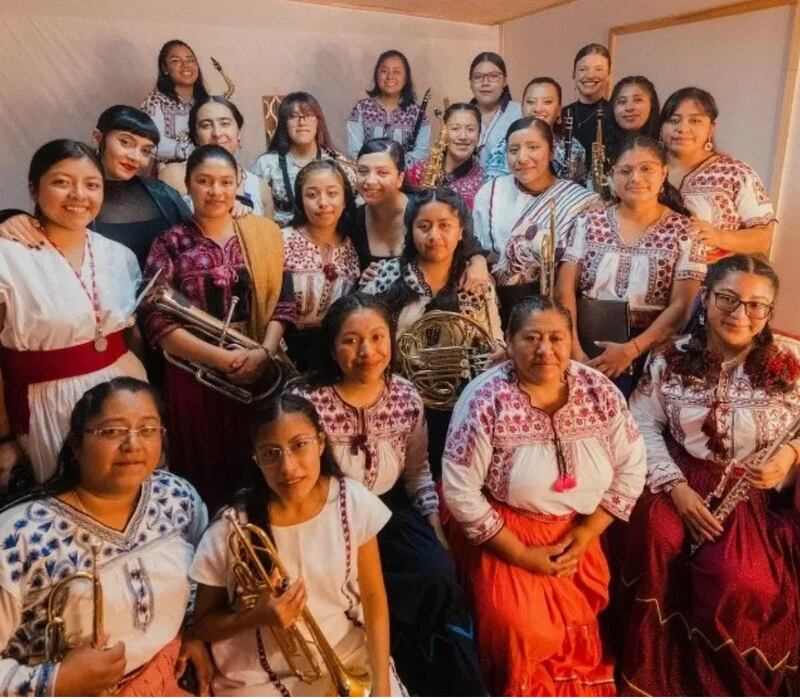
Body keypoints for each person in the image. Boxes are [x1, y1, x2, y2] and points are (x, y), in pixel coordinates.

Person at [442, 295, 647, 696]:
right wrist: (521, 554)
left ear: (571, 338)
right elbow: (459, 490)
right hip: (505, 533)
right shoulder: (485, 399)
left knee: (578, 626)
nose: (545, 350)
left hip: (575, 532)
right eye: (531, 338)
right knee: (519, 628)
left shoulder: (599, 392)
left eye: (557, 338)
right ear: (509, 340)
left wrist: (588, 532)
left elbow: (632, 467)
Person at [619, 255, 800, 696]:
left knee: (737, 581)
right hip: (678, 479)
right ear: (706, 299)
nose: (740, 315)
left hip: (754, 495)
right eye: (727, 299)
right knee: (656, 540)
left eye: (756, 305)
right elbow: (640, 422)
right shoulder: (669, 359)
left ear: (769, 312)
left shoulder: (792, 362)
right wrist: (676, 488)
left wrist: (790, 456)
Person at [290, 292, 486, 696]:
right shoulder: (305, 402)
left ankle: (425, 679)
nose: (367, 351)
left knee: (436, 575)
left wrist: (435, 528)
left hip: (388, 513)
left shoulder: (405, 395)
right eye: (351, 340)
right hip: (325, 518)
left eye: (378, 337)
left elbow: (417, 475)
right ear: (331, 346)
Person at [0, 378, 211, 696]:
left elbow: (199, 580)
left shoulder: (176, 496)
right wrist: (56, 680)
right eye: (112, 431)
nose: (133, 444)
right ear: (75, 444)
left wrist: (194, 632)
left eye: (148, 429)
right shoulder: (19, 537)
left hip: (169, 676)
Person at [188, 393, 406, 696]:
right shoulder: (232, 526)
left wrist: (382, 687)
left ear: (320, 442)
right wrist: (256, 617)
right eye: (270, 453)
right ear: (256, 459)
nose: (287, 467)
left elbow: (373, 598)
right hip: (257, 674)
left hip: (348, 654)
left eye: (299, 445)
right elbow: (202, 626)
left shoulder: (351, 501)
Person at [141, 145, 292, 510]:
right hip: (194, 375)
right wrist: (221, 359)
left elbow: (284, 302)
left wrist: (264, 352)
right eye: (204, 181)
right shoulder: (170, 242)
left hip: (258, 366)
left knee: (257, 463)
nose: (216, 190)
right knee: (205, 468)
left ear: (238, 182)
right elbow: (155, 319)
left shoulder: (262, 232)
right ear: (188, 186)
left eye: (226, 182)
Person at [0, 140, 147, 487]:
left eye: (91, 185)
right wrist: (4, 440)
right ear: (33, 189)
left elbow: (130, 335)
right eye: (62, 182)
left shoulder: (119, 255)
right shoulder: (7, 257)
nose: (79, 194)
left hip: (125, 391)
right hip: (50, 402)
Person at [362, 187, 503, 478]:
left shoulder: (477, 283)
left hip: (463, 406)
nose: (434, 236)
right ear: (410, 231)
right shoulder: (389, 274)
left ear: (461, 231)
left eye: (445, 226)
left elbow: (492, 341)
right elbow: (360, 326)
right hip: (396, 401)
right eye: (423, 227)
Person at [557, 136, 706, 396]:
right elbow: (564, 289)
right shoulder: (588, 222)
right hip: (585, 342)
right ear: (612, 176)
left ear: (663, 174)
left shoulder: (685, 231)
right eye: (625, 170)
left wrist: (631, 350)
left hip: (650, 351)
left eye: (646, 168)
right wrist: (575, 351)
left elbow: (682, 306)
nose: (635, 178)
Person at [0, 105, 189, 271]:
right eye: (125, 142)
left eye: (145, 150)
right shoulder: (77, 198)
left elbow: (196, 237)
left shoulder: (162, 194)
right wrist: (8, 218)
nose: (135, 157)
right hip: (91, 304)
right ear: (98, 138)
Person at [472, 117, 598, 325]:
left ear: (551, 151)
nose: (522, 158)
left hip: (554, 313)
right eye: (513, 150)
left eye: (533, 147)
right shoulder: (491, 192)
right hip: (497, 309)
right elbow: (477, 246)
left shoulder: (580, 201)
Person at [353, 138, 490, 288]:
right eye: (363, 171)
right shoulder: (353, 219)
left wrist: (478, 264)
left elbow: (472, 248)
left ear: (400, 178)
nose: (370, 180)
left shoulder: (424, 209)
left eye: (382, 173)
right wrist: (363, 278)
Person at [659, 87, 775, 262]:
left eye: (695, 121)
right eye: (674, 120)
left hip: (713, 282)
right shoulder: (645, 170)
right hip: (650, 280)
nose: (682, 128)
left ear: (711, 129)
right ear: (661, 128)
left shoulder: (735, 173)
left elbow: (763, 238)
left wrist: (718, 236)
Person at [277, 160, 360, 372]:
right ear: (300, 200)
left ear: (344, 199)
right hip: (282, 353)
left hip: (335, 357)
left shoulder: (355, 246)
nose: (323, 203)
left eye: (332, 193)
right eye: (312, 195)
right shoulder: (280, 241)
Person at [159, 95, 274, 218]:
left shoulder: (260, 188)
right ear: (196, 136)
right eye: (206, 125)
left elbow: (269, 235)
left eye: (224, 124)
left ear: (239, 132)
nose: (217, 133)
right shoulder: (175, 175)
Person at [252, 92, 356, 226]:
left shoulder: (337, 162)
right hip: (281, 239)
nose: (301, 122)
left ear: (318, 121)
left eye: (308, 115)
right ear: (284, 124)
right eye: (293, 117)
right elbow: (254, 207)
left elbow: (355, 204)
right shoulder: (267, 164)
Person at [484, 77, 588, 183]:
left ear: (559, 110)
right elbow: (493, 192)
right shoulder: (504, 148)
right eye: (531, 102)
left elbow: (581, 189)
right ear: (522, 107)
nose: (538, 109)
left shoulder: (574, 148)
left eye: (547, 102)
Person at [347, 49, 430, 166]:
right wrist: (376, 168)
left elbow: (421, 153)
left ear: (406, 79)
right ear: (377, 75)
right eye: (384, 71)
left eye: (397, 72)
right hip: (369, 177)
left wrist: (394, 168)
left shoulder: (417, 113)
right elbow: (354, 151)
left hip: (403, 180)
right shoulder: (361, 108)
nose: (390, 76)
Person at [405, 102, 486, 209]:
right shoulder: (420, 170)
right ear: (443, 133)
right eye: (455, 128)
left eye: (470, 129)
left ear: (478, 136)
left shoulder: (484, 182)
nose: (463, 136)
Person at [141, 40, 209, 163]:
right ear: (165, 68)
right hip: (168, 175)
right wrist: (194, 152)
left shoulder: (206, 102)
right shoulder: (155, 102)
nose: (185, 65)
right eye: (176, 61)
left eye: (190, 60)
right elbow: (149, 141)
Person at [562, 44, 611, 175]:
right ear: (573, 74)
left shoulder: (616, 114)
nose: (590, 75)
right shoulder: (561, 114)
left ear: (608, 75)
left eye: (598, 69)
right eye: (583, 69)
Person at [467, 52, 522, 168]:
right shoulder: (461, 115)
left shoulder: (520, 113)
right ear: (470, 83)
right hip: (465, 184)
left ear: (505, 81)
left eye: (493, 76)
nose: (485, 83)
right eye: (478, 77)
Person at [606, 76, 660, 162]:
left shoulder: (666, 150)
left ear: (652, 105)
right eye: (622, 101)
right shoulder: (602, 150)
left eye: (637, 100)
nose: (629, 108)